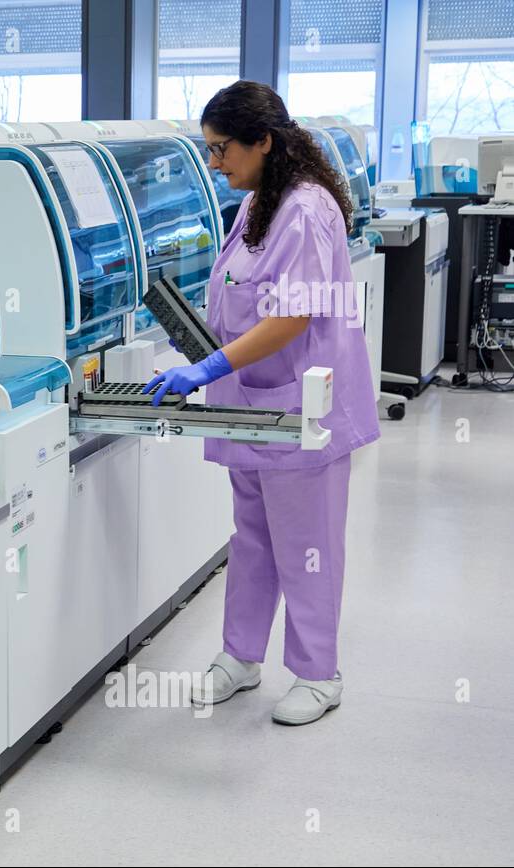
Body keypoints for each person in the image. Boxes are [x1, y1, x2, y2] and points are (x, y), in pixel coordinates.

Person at [142, 80, 380, 726]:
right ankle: (240, 657)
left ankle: (317, 673)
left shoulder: (306, 209)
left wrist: (207, 368)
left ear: (263, 142)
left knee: (307, 545)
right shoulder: (255, 203)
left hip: (303, 407)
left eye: (222, 150)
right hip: (251, 403)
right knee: (252, 539)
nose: (214, 164)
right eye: (210, 150)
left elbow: (291, 318)